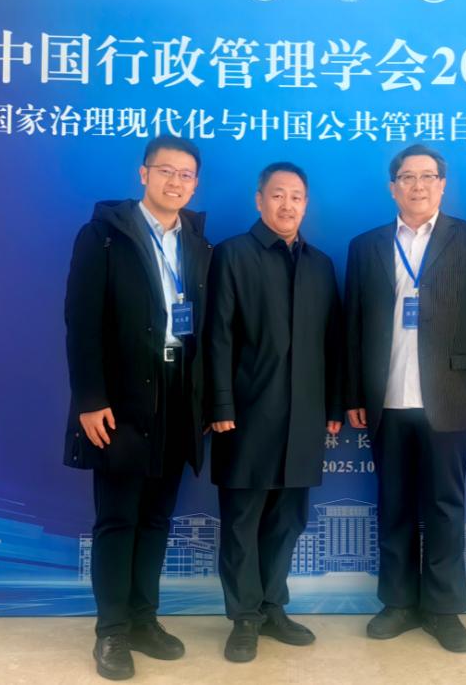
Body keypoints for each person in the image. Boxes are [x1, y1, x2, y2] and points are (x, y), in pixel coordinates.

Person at [343, 144, 466, 653]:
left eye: (428, 176)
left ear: (442, 185)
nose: (418, 185)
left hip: (450, 395)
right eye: (407, 177)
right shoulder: (366, 246)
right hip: (386, 396)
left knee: (444, 505)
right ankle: (398, 603)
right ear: (392, 187)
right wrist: (353, 391)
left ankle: (442, 608)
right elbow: (352, 326)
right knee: (393, 504)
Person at [63, 136, 213, 680]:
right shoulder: (104, 236)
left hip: (177, 395)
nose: (176, 182)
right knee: (118, 517)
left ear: (195, 185)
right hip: (121, 399)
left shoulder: (196, 242)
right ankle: (111, 632)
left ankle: (145, 619)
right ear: (143, 174)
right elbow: (81, 321)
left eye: (186, 175)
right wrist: (90, 399)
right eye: (166, 171)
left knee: (156, 518)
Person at [205, 162, 343, 663]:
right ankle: (244, 618)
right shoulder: (233, 254)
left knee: (288, 518)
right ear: (259, 200)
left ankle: (271, 607)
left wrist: (332, 405)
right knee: (243, 520)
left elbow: (333, 341)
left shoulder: (320, 265)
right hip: (246, 413)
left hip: (304, 416)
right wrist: (220, 402)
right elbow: (217, 336)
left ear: (306, 205)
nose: (288, 205)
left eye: (297, 197)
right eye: (278, 195)